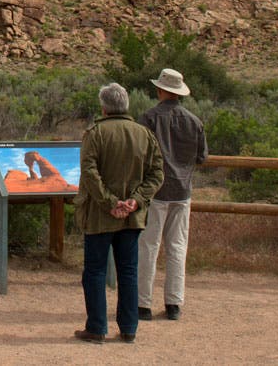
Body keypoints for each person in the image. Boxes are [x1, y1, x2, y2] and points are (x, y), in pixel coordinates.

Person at [73, 83, 164, 345]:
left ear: (104, 106)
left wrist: (110, 202)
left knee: (95, 271)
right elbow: (157, 172)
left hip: (100, 217)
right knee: (128, 271)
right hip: (131, 218)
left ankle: (97, 328)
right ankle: (129, 328)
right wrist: (134, 201)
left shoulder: (95, 133)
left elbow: (89, 172)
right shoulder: (143, 134)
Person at [137, 68, 208, 322]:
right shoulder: (194, 121)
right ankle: (174, 303)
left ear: (160, 90)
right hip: (182, 190)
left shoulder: (149, 118)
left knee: (148, 246)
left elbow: (139, 153)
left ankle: (143, 303)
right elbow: (201, 157)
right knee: (178, 247)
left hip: (155, 191)